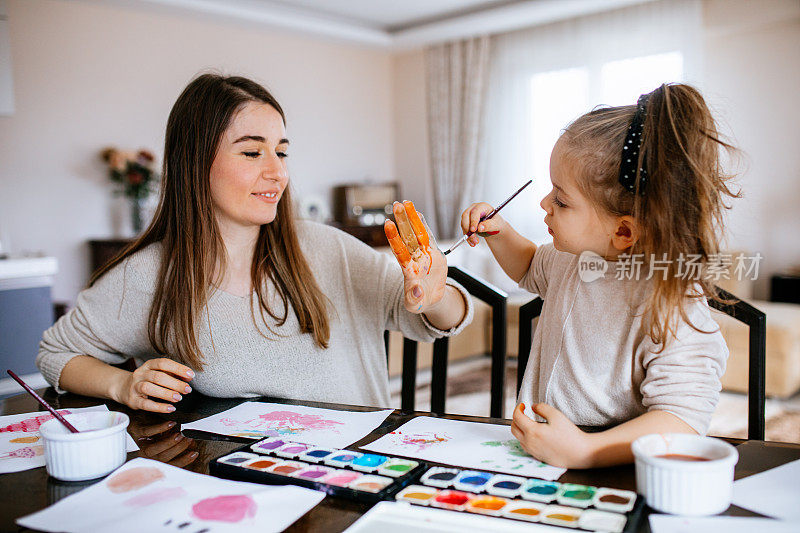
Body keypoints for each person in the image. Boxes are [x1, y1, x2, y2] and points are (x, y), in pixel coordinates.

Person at [37, 74, 472, 413]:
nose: (278, 172)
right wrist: (122, 384)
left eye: (281, 152)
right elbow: (56, 352)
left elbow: (438, 317)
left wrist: (435, 297)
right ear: (194, 162)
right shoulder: (150, 275)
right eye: (251, 153)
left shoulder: (328, 249)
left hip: (356, 471)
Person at [461, 84, 734, 468]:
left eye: (561, 199)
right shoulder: (571, 260)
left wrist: (587, 451)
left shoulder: (672, 298)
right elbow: (526, 266)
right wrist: (499, 232)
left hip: (613, 465)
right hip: (544, 452)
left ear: (623, 232)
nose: (544, 204)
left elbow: (682, 419)